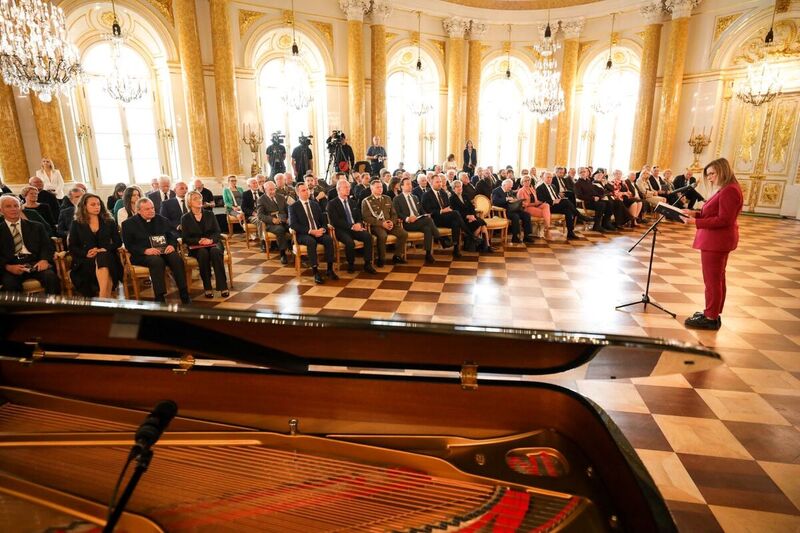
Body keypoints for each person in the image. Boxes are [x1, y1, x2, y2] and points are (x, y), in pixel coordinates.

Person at [681, 158, 743, 331]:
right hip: (717, 240)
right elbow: (712, 211)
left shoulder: (729, 190)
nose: (709, 178)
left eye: (712, 174)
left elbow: (724, 219)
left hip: (717, 241)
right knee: (717, 278)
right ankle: (712, 313)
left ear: (723, 171)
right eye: (708, 175)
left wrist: (695, 222)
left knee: (712, 280)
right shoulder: (727, 188)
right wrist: (694, 212)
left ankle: (710, 317)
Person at [121, 198, 190, 304]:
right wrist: (145, 250)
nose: (151, 211)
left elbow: (172, 236)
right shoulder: (128, 224)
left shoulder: (162, 220)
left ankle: (184, 293)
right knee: (156, 261)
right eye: (147, 209)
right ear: (138, 211)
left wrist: (171, 245)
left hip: (163, 251)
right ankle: (160, 297)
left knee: (176, 257)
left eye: (152, 208)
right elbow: (129, 245)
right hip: (142, 255)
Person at [0, 195, 59, 294]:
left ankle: (54, 308)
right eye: (8, 206)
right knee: (9, 284)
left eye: (16, 206)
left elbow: (47, 246)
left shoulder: (36, 226)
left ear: (20, 207)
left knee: (51, 277)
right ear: (1, 210)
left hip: (35, 263)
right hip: (12, 267)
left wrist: (44, 260)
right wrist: (7, 267)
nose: (13, 209)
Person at [67, 193, 122, 298]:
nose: (97, 207)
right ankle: (105, 297)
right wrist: (86, 253)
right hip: (86, 260)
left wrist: (104, 249)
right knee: (102, 261)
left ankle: (102, 296)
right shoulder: (77, 224)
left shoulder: (109, 221)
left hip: (108, 255)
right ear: (84, 206)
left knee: (103, 256)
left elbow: (118, 242)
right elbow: (72, 246)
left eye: (98, 204)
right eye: (93, 204)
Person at [181, 191, 229, 299]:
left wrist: (210, 240)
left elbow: (217, 232)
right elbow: (185, 238)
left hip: (213, 243)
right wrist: (199, 241)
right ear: (189, 202)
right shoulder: (185, 218)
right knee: (203, 254)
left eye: (199, 198)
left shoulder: (209, 214)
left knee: (215, 251)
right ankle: (207, 287)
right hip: (197, 246)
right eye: (195, 198)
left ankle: (223, 286)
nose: (199, 200)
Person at [288, 183, 338, 284]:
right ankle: (315, 272)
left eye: (307, 189)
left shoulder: (314, 204)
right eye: (303, 190)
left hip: (318, 231)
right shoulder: (293, 207)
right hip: (303, 234)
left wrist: (322, 230)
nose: (306, 192)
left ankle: (329, 269)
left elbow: (323, 220)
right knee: (311, 242)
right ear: (297, 193)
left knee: (328, 239)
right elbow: (293, 225)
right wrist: (311, 231)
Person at [327, 180, 376, 274]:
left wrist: (358, 223)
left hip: (355, 228)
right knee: (349, 242)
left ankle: (367, 263)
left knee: (368, 237)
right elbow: (335, 221)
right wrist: (352, 226)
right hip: (341, 230)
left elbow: (359, 217)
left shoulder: (353, 202)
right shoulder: (332, 204)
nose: (348, 189)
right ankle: (351, 264)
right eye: (345, 187)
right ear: (338, 189)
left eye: (349, 187)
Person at [393, 177, 440, 264]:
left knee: (428, 228)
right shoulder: (397, 199)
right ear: (402, 187)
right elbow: (397, 213)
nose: (410, 186)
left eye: (410, 184)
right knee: (428, 221)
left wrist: (426, 214)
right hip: (407, 223)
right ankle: (439, 237)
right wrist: (407, 218)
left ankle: (428, 254)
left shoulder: (415, 197)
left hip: (419, 221)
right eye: (407, 184)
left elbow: (421, 210)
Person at [362, 180, 407, 267]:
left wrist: (392, 222)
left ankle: (397, 256)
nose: (380, 189)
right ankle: (381, 259)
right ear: (371, 188)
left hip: (390, 224)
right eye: (377, 187)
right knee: (383, 236)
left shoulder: (387, 198)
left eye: (381, 187)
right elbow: (366, 218)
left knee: (403, 234)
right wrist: (382, 224)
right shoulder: (366, 201)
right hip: (377, 225)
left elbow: (394, 214)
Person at [422, 176, 469, 259]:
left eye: (440, 181)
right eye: (437, 182)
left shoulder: (443, 193)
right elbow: (428, 211)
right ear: (431, 183)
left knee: (456, 222)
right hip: (434, 219)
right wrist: (441, 211)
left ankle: (456, 249)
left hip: (445, 218)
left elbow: (448, 206)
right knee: (456, 214)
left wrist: (448, 210)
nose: (440, 183)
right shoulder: (426, 195)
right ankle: (468, 233)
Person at [536, 172, 583, 240]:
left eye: (551, 177)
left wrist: (559, 199)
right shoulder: (540, 188)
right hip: (549, 207)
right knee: (566, 201)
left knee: (568, 211)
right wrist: (553, 201)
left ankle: (570, 232)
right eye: (548, 177)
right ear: (543, 178)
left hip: (557, 205)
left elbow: (556, 196)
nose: (549, 179)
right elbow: (541, 201)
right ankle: (579, 215)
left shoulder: (553, 186)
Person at [450, 180, 493, 252]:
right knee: (479, 225)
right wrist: (467, 216)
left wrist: (472, 215)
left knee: (482, 225)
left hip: (472, 217)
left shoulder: (465, 195)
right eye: (457, 187)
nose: (459, 188)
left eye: (460, 186)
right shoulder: (452, 198)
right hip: (462, 219)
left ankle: (487, 245)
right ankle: (473, 244)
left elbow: (472, 208)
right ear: (453, 188)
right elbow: (456, 212)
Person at [257, 181, 291, 263]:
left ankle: (295, 248)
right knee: (280, 230)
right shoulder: (261, 200)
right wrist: (272, 220)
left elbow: (289, 209)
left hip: (284, 220)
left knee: (295, 226)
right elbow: (260, 215)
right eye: (270, 190)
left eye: (274, 189)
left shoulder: (281, 197)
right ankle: (283, 254)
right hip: (271, 223)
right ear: (265, 190)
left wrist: (289, 217)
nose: (272, 191)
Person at [492, 178, 534, 244]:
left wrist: (515, 200)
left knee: (526, 215)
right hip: (503, 211)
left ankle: (526, 236)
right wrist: (506, 199)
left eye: (511, 187)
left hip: (513, 209)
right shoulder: (496, 191)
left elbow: (513, 197)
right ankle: (515, 237)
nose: (510, 188)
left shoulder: (509, 190)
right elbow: (495, 202)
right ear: (504, 185)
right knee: (515, 216)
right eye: (509, 187)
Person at [575, 167, 615, 232]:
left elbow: (594, 192)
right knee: (601, 204)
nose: (583, 173)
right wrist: (593, 198)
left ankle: (606, 223)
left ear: (587, 173)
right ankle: (596, 225)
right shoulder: (577, 183)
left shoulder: (589, 181)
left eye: (584, 172)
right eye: (581, 172)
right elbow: (579, 196)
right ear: (578, 173)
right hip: (585, 203)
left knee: (609, 203)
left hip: (593, 201)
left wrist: (599, 196)